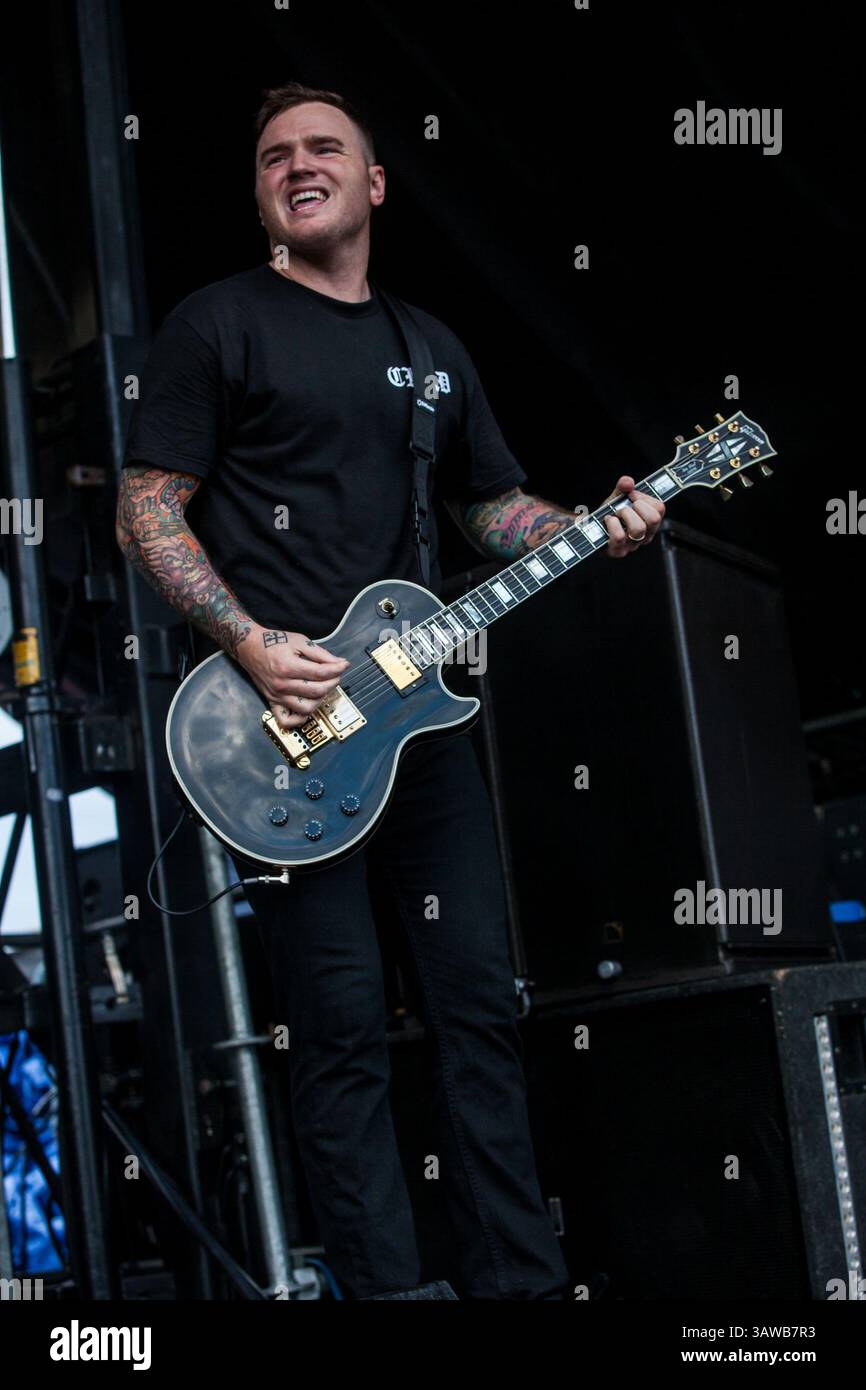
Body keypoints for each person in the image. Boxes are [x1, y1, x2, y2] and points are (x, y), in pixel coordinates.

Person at [115, 82, 664, 1300]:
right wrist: (252, 641)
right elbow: (145, 507)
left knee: (475, 1002)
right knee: (343, 1021)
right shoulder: (217, 325)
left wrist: (589, 525)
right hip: (284, 734)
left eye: (323, 149)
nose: (295, 165)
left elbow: (486, 506)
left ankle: (519, 1282)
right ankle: (381, 1291)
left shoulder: (429, 350)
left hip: (419, 734)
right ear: (259, 191)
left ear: (372, 183)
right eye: (272, 156)